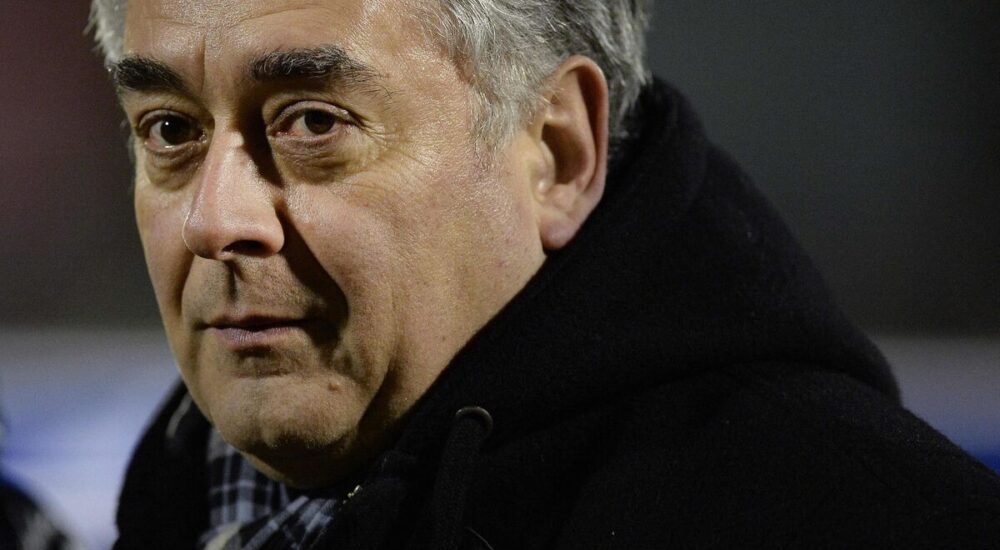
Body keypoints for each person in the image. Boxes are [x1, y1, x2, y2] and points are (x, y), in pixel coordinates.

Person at [89, 0, 1000, 548]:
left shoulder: (867, 520)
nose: (216, 220)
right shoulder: (180, 495)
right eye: (170, 130)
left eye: (314, 123)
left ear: (558, 155)